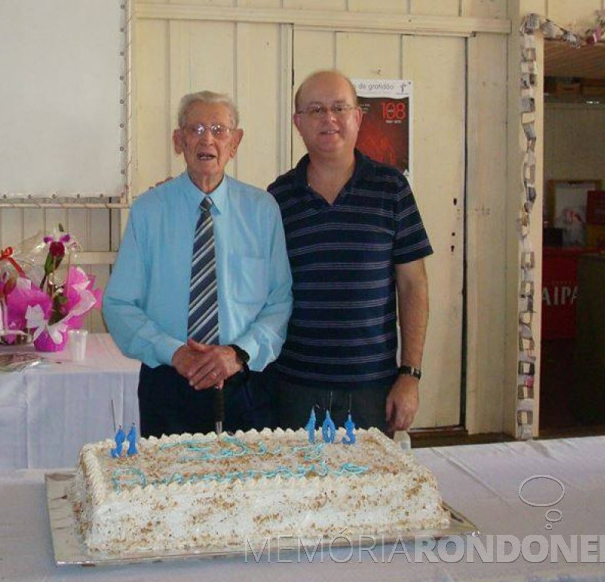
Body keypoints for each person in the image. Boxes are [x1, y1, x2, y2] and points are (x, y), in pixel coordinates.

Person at [103, 91, 292, 437]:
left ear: (235, 142)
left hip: (246, 380)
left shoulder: (262, 210)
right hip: (170, 381)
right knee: (168, 487)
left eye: (219, 130)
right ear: (179, 141)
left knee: (250, 487)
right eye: (197, 129)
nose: (208, 139)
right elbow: (118, 303)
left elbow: (280, 301)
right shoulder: (149, 211)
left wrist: (236, 354)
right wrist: (174, 352)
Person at [268, 70, 432, 433]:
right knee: (300, 488)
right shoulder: (277, 198)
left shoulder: (392, 189)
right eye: (315, 110)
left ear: (358, 118)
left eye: (339, 108)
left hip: (373, 388)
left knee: (370, 489)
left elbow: (413, 286)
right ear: (298, 123)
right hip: (294, 385)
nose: (329, 118)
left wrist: (411, 374)